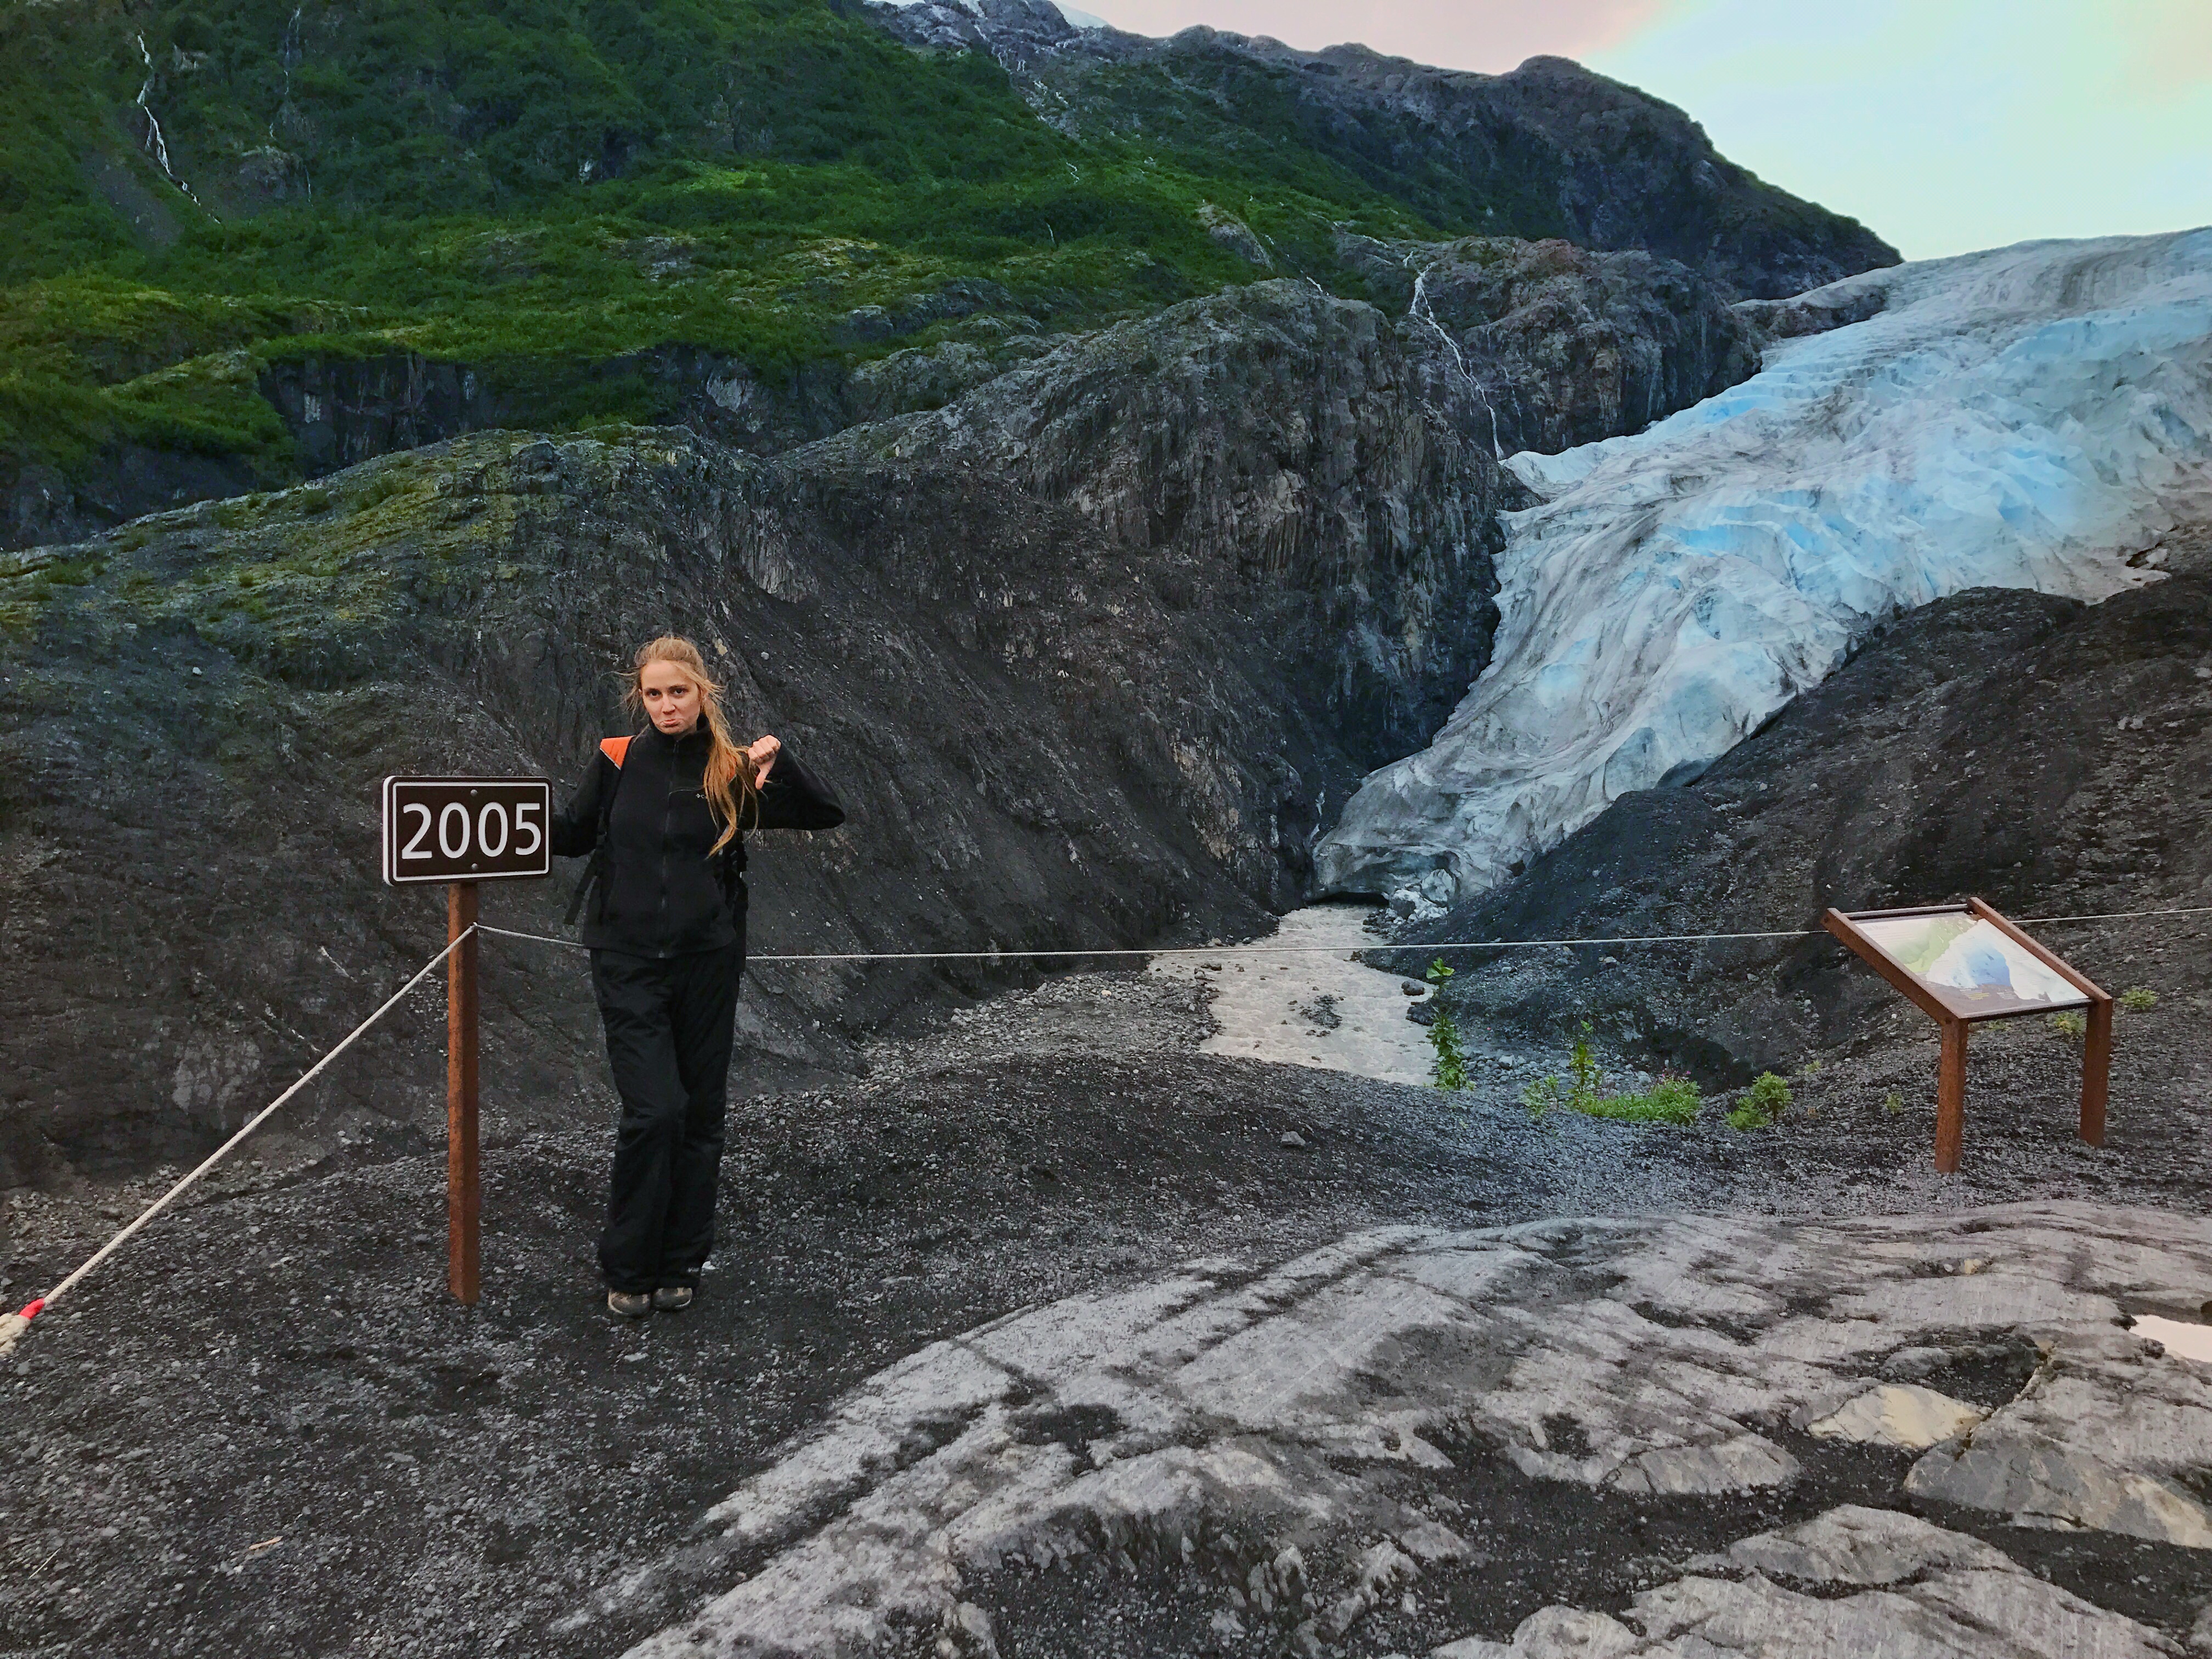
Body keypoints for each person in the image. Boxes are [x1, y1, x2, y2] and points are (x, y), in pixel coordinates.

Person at [552, 635, 844, 1318]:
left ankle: (680, 1261)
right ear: (640, 697)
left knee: (701, 1115)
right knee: (656, 1110)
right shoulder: (618, 760)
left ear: (702, 694)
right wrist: (498, 823)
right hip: (625, 960)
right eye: (653, 694)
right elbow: (570, 832)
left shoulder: (728, 769)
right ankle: (627, 1268)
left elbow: (824, 814)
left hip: (708, 961)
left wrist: (779, 760)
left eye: (678, 692)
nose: (666, 705)